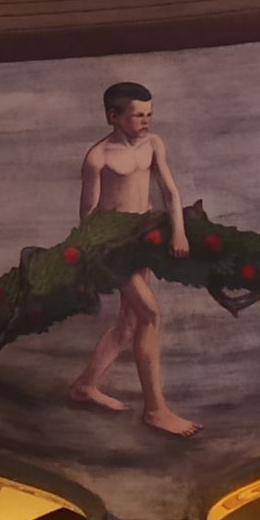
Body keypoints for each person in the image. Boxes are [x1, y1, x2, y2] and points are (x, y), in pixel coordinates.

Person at [66, 80, 201, 438]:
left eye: (149, 114)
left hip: (142, 241)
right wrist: (92, 258)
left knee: (129, 323)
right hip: (112, 247)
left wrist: (179, 232)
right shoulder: (98, 157)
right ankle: (155, 410)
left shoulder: (153, 144)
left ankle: (84, 385)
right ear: (114, 116)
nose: (147, 121)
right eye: (138, 115)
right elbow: (88, 216)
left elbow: (170, 192)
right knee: (150, 314)